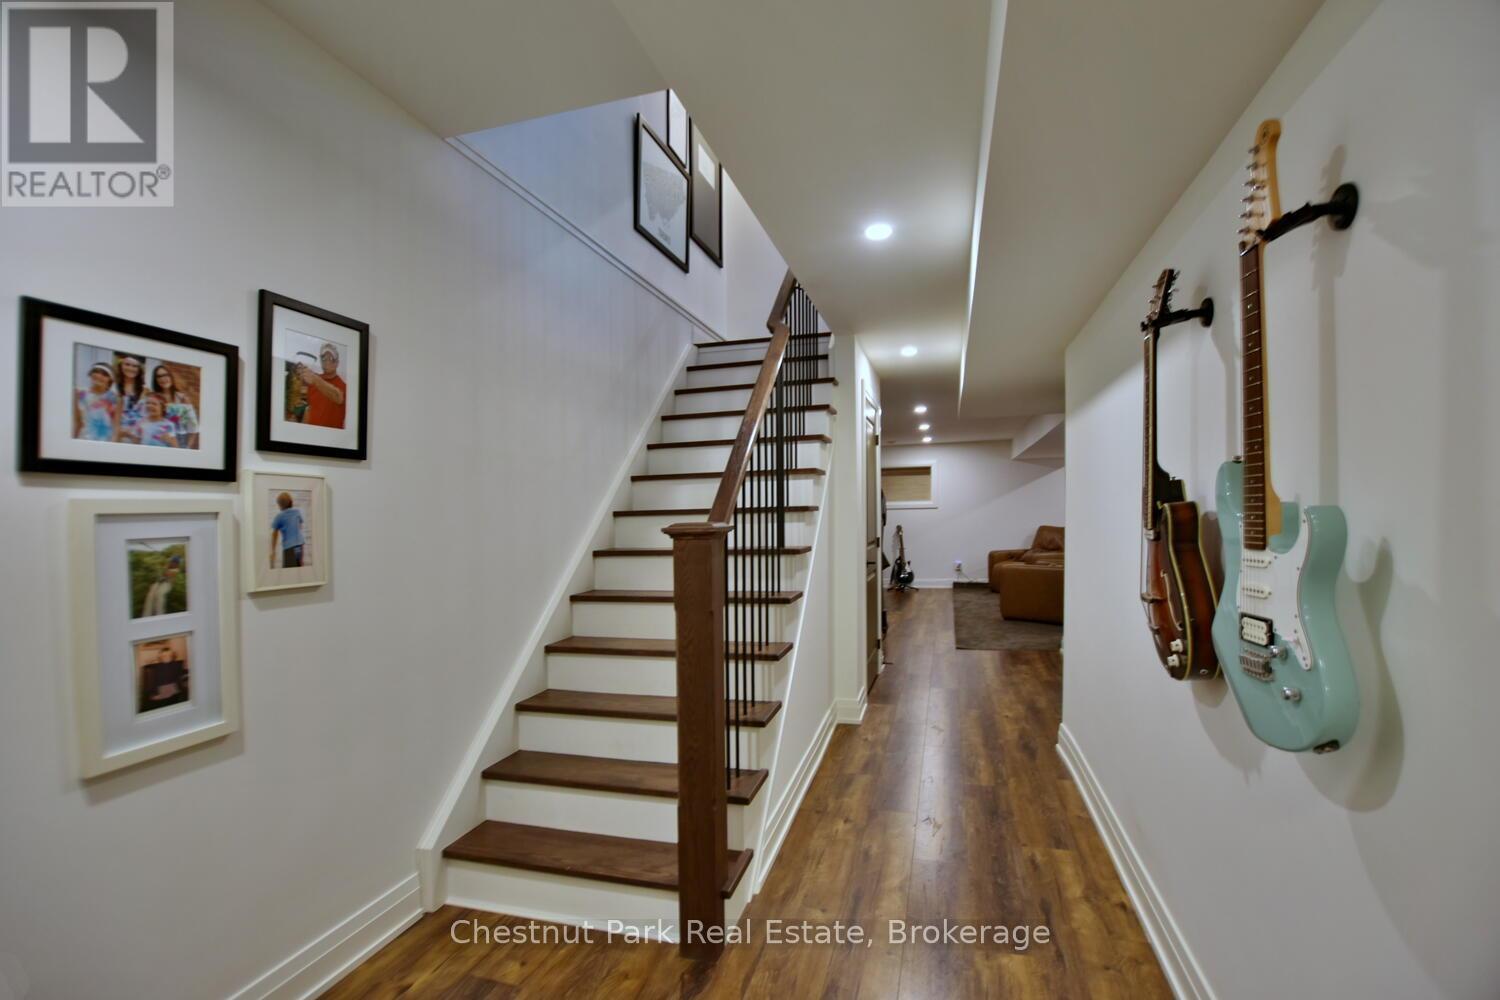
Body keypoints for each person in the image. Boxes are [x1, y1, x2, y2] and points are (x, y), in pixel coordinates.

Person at [150, 363, 200, 449]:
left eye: (166, 375)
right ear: (156, 380)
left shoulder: (183, 399)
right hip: (158, 443)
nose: (163, 379)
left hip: (180, 444)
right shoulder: (153, 399)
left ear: (171, 377)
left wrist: (187, 448)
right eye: (159, 376)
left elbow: (193, 428)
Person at [298, 342, 346, 428]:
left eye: (331, 358)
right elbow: (309, 409)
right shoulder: (312, 381)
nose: (327, 361)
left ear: (337, 363)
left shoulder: (343, 386)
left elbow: (338, 397)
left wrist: (316, 379)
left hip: (332, 439)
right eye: (324, 358)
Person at [138, 643, 189, 712]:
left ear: (172, 656)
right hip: (161, 690)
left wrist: (186, 673)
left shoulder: (175, 665)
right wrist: (154, 692)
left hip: (173, 689)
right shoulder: (157, 667)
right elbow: (153, 680)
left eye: (169, 655)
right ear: (161, 657)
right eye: (164, 656)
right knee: (162, 705)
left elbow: (180, 674)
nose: (167, 657)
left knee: (173, 703)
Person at [74, 363, 119, 441]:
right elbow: (78, 422)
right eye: (96, 372)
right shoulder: (80, 393)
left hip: (105, 441)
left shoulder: (115, 398)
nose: (99, 376)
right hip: (84, 438)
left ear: (110, 379)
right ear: (90, 374)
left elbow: (116, 426)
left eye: (104, 374)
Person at [114, 353, 146, 443]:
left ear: (139, 369)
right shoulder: (114, 388)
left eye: (135, 366)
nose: (130, 368)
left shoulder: (146, 390)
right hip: (121, 436)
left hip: (140, 437)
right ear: (121, 366)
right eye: (127, 364)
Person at [270, 491, 306, 568]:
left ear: (280, 505)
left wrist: (273, 551)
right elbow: (300, 526)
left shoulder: (279, 516)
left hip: (289, 548)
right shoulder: (297, 512)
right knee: (299, 567)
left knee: (288, 572)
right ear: (291, 502)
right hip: (300, 546)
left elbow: (274, 534)